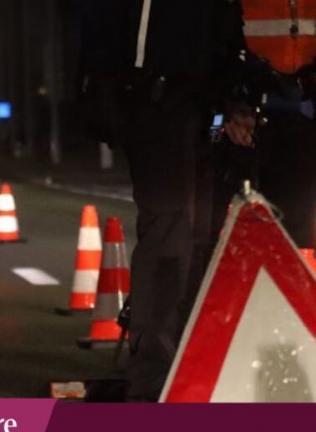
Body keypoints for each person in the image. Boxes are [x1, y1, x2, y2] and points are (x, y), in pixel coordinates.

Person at [80, 0, 247, 401]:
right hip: (161, 102)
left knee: (205, 239)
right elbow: (111, 26)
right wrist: (104, 90)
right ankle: (155, 379)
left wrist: (237, 100)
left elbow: (226, 30)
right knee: (172, 236)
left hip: (207, 110)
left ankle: (191, 366)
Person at [217, 0, 316, 254]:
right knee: (231, 226)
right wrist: (228, 101)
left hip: (301, 112)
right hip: (248, 113)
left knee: (298, 227)